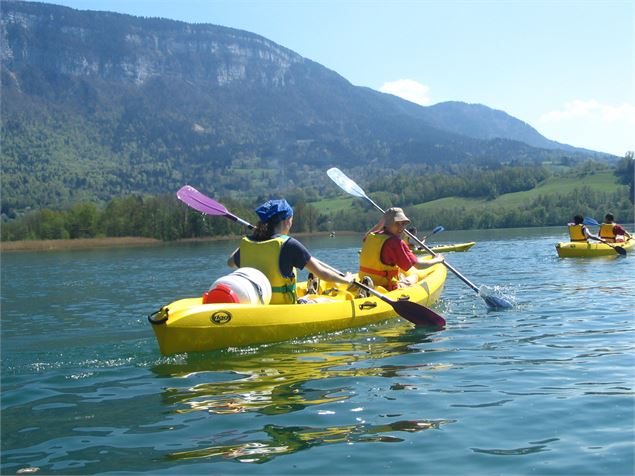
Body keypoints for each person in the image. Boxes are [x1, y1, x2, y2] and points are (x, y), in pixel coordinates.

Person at [227, 199, 353, 304]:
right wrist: (347, 280)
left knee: (307, 296)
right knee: (329, 301)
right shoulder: (289, 244)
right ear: (286, 221)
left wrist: (253, 238)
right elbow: (322, 274)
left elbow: (230, 262)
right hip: (285, 307)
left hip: (258, 303)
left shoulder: (248, 243)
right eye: (291, 220)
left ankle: (310, 290)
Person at [359, 207, 444, 291]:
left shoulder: (371, 236)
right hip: (385, 286)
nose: (401, 228)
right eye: (397, 223)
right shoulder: (395, 242)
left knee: (400, 275)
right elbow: (418, 265)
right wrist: (437, 260)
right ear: (388, 224)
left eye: (403, 224)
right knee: (415, 276)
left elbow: (369, 233)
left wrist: (381, 223)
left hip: (365, 282)